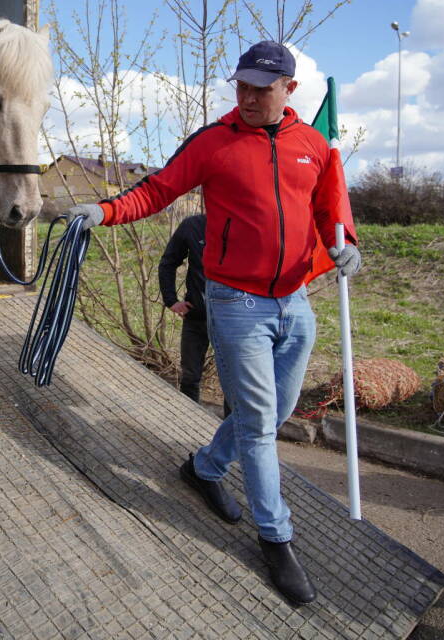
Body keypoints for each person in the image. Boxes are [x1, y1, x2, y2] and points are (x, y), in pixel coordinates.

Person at [66, 40, 361, 607]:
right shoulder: (213, 141)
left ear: (290, 90)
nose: (247, 97)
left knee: (275, 410)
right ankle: (277, 537)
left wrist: (345, 245)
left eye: (262, 88)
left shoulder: (315, 145)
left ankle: (204, 469)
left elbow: (331, 210)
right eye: (241, 86)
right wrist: (102, 211)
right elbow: (157, 189)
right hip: (235, 303)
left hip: (296, 300)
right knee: (256, 423)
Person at [158, 213, 213, 403]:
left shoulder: (243, 224)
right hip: (196, 316)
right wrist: (171, 300)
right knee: (190, 377)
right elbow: (168, 263)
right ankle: (188, 425)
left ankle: (230, 432)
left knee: (233, 380)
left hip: (232, 321)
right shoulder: (193, 225)